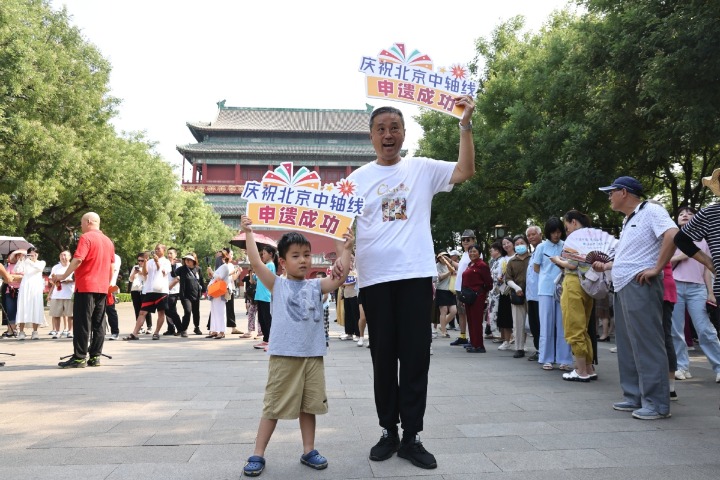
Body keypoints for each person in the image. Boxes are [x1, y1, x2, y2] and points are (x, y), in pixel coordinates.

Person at [346, 98, 476, 470]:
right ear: (371, 136)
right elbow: (341, 226)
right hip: (375, 279)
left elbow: (465, 170)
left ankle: (412, 436)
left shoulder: (422, 169)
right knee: (383, 357)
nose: (388, 135)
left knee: (416, 356)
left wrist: (464, 127)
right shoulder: (357, 180)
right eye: (381, 129)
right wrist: (343, 253)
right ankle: (388, 430)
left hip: (416, 277)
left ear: (404, 133)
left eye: (394, 128)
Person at [239, 214, 354, 477]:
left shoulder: (316, 286)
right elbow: (256, 263)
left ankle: (309, 450)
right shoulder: (277, 285)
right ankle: (258, 453)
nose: (303, 260)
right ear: (282, 261)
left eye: (307, 254)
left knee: (309, 405)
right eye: (296, 255)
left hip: (312, 356)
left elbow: (340, 277)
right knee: (273, 406)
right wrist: (249, 233)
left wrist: (346, 249)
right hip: (284, 356)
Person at [596, 176, 677, 419]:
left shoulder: (651, 210)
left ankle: (657, 404)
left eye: (611, 192)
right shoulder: (629, 219)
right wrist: (609, 265)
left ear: (624, 192)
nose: (609, 197)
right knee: (628, 344)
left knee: (647, 344)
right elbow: (630, 254)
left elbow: (673, 235)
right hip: (623, 285)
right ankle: (634, 396)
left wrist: (657, 267)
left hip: (641, 284)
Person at [674, 168, 720, 384]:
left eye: (688, 213)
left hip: (698, 287)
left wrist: (709, 288)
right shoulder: (710, 214)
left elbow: (705, 272)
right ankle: (681, 367)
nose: (685, 215)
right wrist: (710, 263)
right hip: (677, 285)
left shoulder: (705, 229)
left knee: (704, 329)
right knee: (677, 330)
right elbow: (681, 241)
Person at [54, 212, 115, 368]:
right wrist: (107, 284)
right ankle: (95, 356)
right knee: (99, 323)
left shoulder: (86, 238)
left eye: (81, 224)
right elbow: (112, 267)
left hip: (86, 285)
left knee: (82, 322)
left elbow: (78, 260)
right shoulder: (108, 241)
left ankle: (80, 357)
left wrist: (63, 275)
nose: (81, 227)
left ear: (88, 222)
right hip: (102, 288)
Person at [550, 211, 596, 381]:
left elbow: (571, 264)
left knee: (574, 327)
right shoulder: (593, 237)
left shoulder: (575, 239)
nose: (566, 229)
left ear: (574, 222)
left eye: (567, 225)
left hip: (573, 284)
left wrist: (557, 260)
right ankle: (589, 368)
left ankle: (581, 370)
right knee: (583, 328)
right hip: (588, 285)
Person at [533, 217, 573, 371]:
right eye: (553, 232)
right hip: (545, 290)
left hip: (563, 288)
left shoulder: (566, 246)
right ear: (548, 233)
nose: (556, 235)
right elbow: (536, 267)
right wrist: (547, 275)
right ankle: (546, 358)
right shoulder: (541, 247)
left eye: (558, 232)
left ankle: (564, 359)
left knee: (563, 324)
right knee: (547, 324)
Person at [124, 244, 171, 341]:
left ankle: (156, 332)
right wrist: (145, 262)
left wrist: (157, 261)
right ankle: (134, 333)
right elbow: (145, 273)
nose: (156, 250)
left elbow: (161, 271)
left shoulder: (166, 262)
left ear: (164, 250)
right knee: (142, 312)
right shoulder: (150, 262)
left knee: (161, 312)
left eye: (159, 249)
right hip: (149, 290)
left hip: (161, 291)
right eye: (156, 249)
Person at [460, 244, 492, 353]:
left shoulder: (482, 265)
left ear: (479, 253)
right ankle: (473, 343)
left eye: (474, 251)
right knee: (471, 321)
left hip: (477, 296)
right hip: (468, 297)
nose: (472, 253)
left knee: (477, 321)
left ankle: (479, 345)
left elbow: (488, 283)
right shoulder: (470, 264)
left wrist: (482, 294)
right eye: (470, 251)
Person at [450, 229, 477, 346]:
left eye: (468, 239)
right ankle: (463, 336)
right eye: (463, 240)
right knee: (461, 313)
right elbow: (460, 267)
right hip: (459, 288)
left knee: (469, 314)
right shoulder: (465, 254)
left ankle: (473, 338)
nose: (465, 241)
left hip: (467, 288)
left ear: (473, 240)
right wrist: (448, 261)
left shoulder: (473, 253)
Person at [506, 235, 531, 358]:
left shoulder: (533, 258)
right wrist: (516, 288)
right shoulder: (511, 261)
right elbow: (508, 279)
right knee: (518, 322)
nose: (519, 245)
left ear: (527, 244)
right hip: (517, 295)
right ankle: (519, 347)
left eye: (522, 243)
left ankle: (539, 349)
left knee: (534, 322)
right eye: (517, 244)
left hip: (532, 294)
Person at [169, 253, 204, 337]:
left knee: (196, 312)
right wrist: (173, 265)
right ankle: (183, 329)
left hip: (196, 294)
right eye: (186, 260)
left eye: (189, 260)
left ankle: (196, 327)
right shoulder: (182, 269)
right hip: (185, 295)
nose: (187, 261)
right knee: (188, 311)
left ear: (193, 261)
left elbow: (201, 281)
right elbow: (173, 274)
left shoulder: (198, 269)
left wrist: (204, 291)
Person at [15, 247, 46, 340]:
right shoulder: (25, 262)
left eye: (35, 254)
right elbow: (17, 270)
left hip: (36, 289)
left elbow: (39, 268)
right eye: (31, 254)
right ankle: (21, 332)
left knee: (36, 308)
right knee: (22, 308)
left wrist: (29, 260)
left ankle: (35, 331)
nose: (33, 256)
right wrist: (20, 260)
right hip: (25, 288)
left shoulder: (41, 262)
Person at [254, 245, 278, 350]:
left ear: (270, 254)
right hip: (260, 295)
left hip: (266, 296)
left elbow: (262, 274)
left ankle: (271, 340)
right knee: (261, 319)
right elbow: (255, 277)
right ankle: (266, 339)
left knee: (267, 319)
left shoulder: (270, 265)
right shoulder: (265, 265)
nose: (262, 255)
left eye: (264, 253)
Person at [525, 226, 542, 361]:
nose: (531, 237)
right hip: (531, 295)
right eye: (529, 235)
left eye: (533, 234)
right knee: (534, 324)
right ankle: (538, 349)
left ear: (540, 234)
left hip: (541, 294)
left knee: (540, 324)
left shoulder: (544, 248)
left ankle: (543, 350)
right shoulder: (534, 252)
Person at [206, 250, 233, 339]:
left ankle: (222, 331)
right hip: (214, 292)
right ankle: (214, 330)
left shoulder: (225, 267)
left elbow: (219, 278)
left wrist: (212, 272)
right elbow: (214, 277)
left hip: (220, 292)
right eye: (216, 256)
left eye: (219, 256)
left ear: (224, 258)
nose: (217, 258)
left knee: (220, 311)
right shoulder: (218, 267)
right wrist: (210, 274)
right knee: (214, 312)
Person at [49, 251, 74, 339]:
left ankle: (70, 331)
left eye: (65, 255)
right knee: (56, 314)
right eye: (61, 255)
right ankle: (57, 331)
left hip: (69, 293)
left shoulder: (73, 266)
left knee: (70, 314)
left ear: (70, 257)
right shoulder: (56, 267)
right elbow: (50, 279)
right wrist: (54, 281)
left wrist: (69, 280)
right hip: (57, 294)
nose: (63, 257)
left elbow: (77, 279)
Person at [128, 253, 153, 334]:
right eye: (139, 260)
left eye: (142, 260)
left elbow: (149, 279)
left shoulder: (149, 267)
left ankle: (149, 326)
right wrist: (134, 273)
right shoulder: (135, 267)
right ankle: (140, 327)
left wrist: (142, 273)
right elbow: (130, 280)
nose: (140, 262)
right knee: (137, 309)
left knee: (146, 309)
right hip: (135, 289)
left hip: (145, 290)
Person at [435, 252, 457, 338]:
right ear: (439, 258)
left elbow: (455, 274)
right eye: (441, 257)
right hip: (441, 290)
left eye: (445, 257)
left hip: (451, 289)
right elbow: (439, 277)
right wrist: (449, 273)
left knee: (454, 311)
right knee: (443, 311)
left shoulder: (449, 265)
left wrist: (454, 273)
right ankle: (444, 331)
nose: (443, 259)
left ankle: (442, 325)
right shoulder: (437, 266)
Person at [163, 247, 182, 336]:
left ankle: (180, 328)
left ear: (175, 254)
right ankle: (171, 328)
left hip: (173, 290)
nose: (169, 255)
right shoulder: (166, 263)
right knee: (166, 310)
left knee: (172, 310)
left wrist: (170, 286)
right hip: (165, 290)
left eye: (171, 253)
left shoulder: (178, 265)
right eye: (168, 253)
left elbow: (177, 278)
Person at [105, 253, 121, 340]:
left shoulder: (115, 257)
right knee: (97, 311)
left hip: (109, 288)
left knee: (110, 311)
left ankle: (115, 332)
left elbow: (112, 270)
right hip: (98, 287)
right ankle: (100, 332)